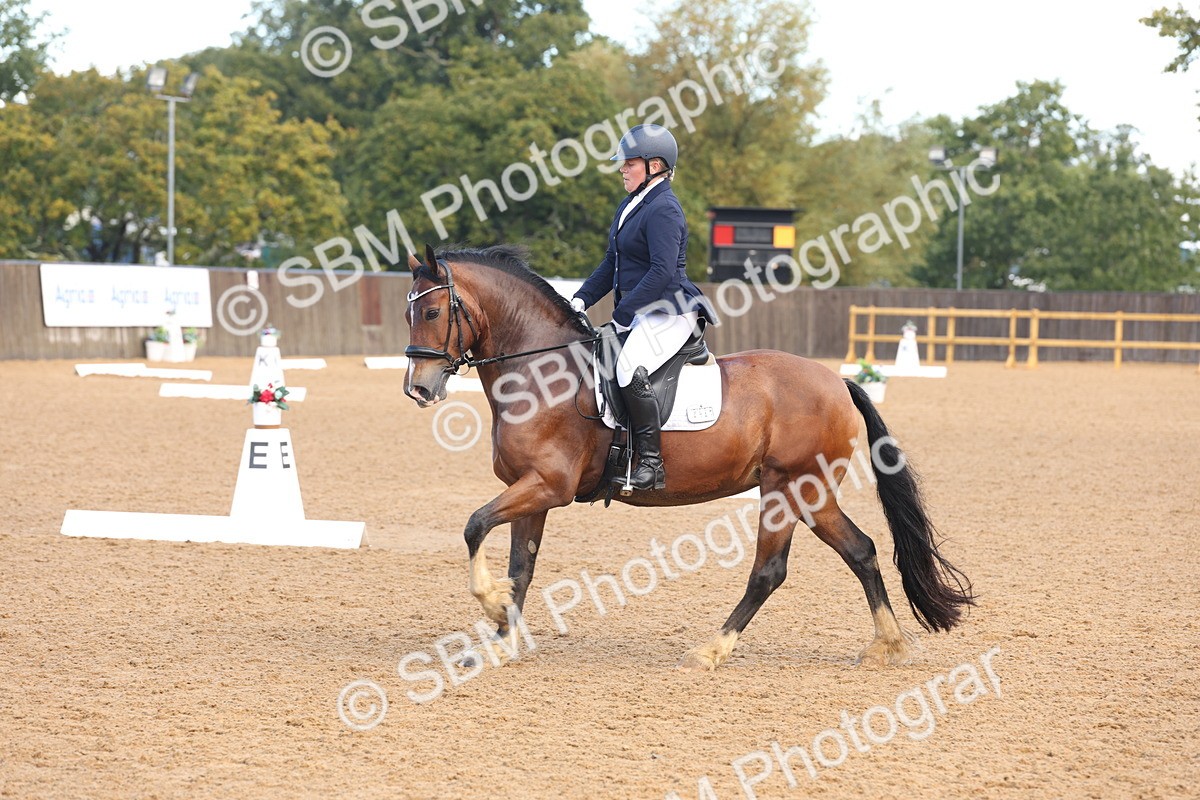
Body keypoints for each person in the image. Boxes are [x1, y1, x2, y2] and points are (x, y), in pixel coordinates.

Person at [571, 123, 716, 491]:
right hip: (642, 309)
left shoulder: (665, 209)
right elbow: (611, 262)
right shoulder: (631, 204)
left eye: (629, 163)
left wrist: (623, 312)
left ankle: (652, 462)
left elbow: (662, 271)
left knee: (627, 369)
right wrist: (582, 298)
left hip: (670, 309)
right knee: (597, 361)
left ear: (654, 165)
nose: (622, 168)